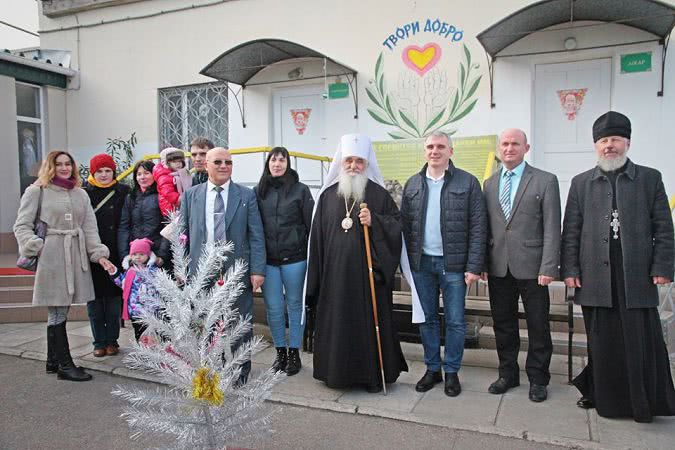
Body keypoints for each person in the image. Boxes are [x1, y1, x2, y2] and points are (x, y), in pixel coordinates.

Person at [562, 111, 675, 422]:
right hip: (595, 277)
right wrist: (569, 270)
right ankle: (603, 397)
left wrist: (663, 265)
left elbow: (664, 226)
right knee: (602, 341)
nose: (608, 145)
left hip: (636, 275)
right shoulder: (581, 182)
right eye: (602, 140)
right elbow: (571, 229)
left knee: (638, 340)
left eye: (614, 139)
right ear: (596, 146)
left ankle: (642, 402)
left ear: (627, 142)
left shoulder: (649, 178)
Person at [306, 133, 408, 393]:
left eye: (359, 161)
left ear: (367, 164)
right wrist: (315, 281)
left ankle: (370, 376)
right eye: (349, 160)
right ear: (341, 162)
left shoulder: (380, 195)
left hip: (367, 279)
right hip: (334, 280)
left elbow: (396, 228)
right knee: (338, 325)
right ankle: (335, 374)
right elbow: (317, 240)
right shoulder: (327, 196)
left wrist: (376, 222)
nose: (353, 166)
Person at [14, 151, 114, 381]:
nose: (64, 168)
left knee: (62, 308)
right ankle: (65, 365)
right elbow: (22, 225)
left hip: (76, 256)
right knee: (57, 308)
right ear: (50, 166)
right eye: (58, 164)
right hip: (51, 256)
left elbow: (90, 228)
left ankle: (52, 360)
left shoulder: (80, 194)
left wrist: (99, 254)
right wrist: (34, 244)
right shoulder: (36, 191)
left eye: (68, 163)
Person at [400, 130, 486, 397]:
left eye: (440, 146)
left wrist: (473, 266)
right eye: (430, 147)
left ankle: (451, 372)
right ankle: (432, 369)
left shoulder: (468, 182)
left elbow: (478, 227)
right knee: (426, 320)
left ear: (451, 151)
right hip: (422, 264)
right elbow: (404, 226)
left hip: (454, 266)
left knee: (456, 321)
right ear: (425, 151)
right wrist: (405, 264)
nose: (434, 151)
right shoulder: (413, 184)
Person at [482, 129, 560, 402]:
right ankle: (508, 374)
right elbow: (486, 228)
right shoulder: (489, 184)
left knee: (538, 324)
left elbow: (552, 226)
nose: (509, 148)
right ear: (498, 148)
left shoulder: (545, 181)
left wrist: (549, 266)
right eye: (504, 143)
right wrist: (483, 262)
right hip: (498, 267)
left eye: (515, 143)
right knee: (503, 324)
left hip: (534, 268)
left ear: (526, 147)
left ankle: (538, 378)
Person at [180, 147, 266, 382]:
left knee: (239, 322)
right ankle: (210, 370)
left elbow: (256, 234)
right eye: (217, 162)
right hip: (201, 270)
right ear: (205, 165)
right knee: (205, 322)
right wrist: (182, 268)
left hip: (236, 269)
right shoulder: (191, 195)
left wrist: (258, 269)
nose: (223, 166)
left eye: (228, 162)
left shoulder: (245, 196)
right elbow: (183, 235)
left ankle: (239, 372)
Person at [253, 147, 314, 375]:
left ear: (288, 163)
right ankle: (280, 352)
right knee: (274, 308)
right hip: (268, 261)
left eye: (282, 160)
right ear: (268, 163)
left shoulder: (300, 190)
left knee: (295, 306)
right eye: (273, 160)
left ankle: (294, 353)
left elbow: (311, 226)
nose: (277, 164)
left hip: (295, 259)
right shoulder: (259, 192)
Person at [83, 153, 130, 357]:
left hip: (115, 252)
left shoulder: (123, 191)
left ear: (114, 172)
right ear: (93, 173)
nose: (104, 175)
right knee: (94, 301)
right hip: (90, 253)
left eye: (107, 170)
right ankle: (98, 342)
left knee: (113, 300)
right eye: (99, 171)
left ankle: (112, 340)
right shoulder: (84, 193)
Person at [118, 160, 169, 267]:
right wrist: (125, 255)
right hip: (135, 254)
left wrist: (162, 255)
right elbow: (124, 227)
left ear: (154, 174)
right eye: (139, 174)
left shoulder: (162, 196)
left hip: (156, 252)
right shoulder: (131, 197)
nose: (142, 177)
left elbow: (168, 227)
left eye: (146, 173)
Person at [108, 238, 160, 343]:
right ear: (131, 256)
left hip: (151, 310)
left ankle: (152, 352)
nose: (138, 257)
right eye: (135, 254)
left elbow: (161, 286)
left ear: (148, 255)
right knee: (138, 332)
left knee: (152, 334)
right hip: (135, 310)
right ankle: (141, 350)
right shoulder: (130, 271)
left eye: (141, 254)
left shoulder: (154, 271)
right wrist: (115, 273)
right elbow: (123, 283)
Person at [153, 147, 192, 216]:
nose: (178, 164)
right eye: (174, 162)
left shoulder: (181, 173)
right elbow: (168, 193)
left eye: (179, 161)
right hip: (170, 209)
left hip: (180, 207)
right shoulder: (164, 176)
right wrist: (181, 199)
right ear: (166, 163)